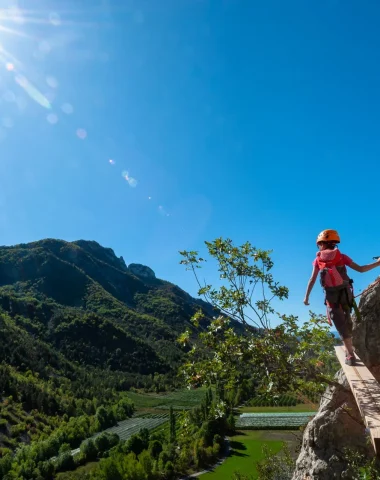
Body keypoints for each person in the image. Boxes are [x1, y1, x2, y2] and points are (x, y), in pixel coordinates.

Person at [304, 229, 380, 366]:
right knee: (347, 319)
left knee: (340, 324)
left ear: (322, 244)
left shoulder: (318, 260)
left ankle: (350, 354)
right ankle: (350, 348)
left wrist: (306, 297)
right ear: (334, 243)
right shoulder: (342, 257)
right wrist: (378, 263)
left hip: (331, 298)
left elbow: (312, 280)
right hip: (346, 295)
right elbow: (362, 269)